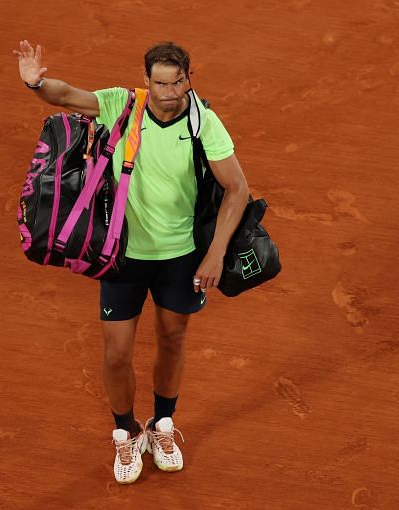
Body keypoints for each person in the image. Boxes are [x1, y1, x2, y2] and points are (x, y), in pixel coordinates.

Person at [13, 39, 250, 484]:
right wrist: (37, 82)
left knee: (173, 338)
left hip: (181, 256)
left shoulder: (203, 121)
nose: (169, 92)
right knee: (118, 354)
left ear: (188, 79)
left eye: (177, 82)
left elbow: (237, 188)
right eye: (159, 83)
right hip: (121, 256)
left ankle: (162, 424)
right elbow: (66, 96)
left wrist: (215, 252)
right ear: (146, 81)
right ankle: (125, 430)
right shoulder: (122, 105)